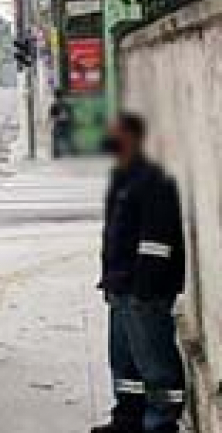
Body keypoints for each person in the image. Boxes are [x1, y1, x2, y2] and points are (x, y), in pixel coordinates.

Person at [93, 113, 186, 433]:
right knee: (126, 365)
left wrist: (143, 291)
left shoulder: (153, 182)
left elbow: (157, 244)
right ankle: (128, 418)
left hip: (142, 293)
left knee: (156, 366)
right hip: (121, 290)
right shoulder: (123, 178)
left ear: (132, 139)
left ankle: (160, 423)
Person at [49, 89, 74, 158]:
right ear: (62, 96)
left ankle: (56, 153)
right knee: (67, 138)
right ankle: (72, 151)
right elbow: (71, 113)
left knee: (56, 138)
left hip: (58, 123)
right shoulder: (66, 104)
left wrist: (56, 118)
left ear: (55, 96)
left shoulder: (54, 105)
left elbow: (51, 116)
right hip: (65, 123)